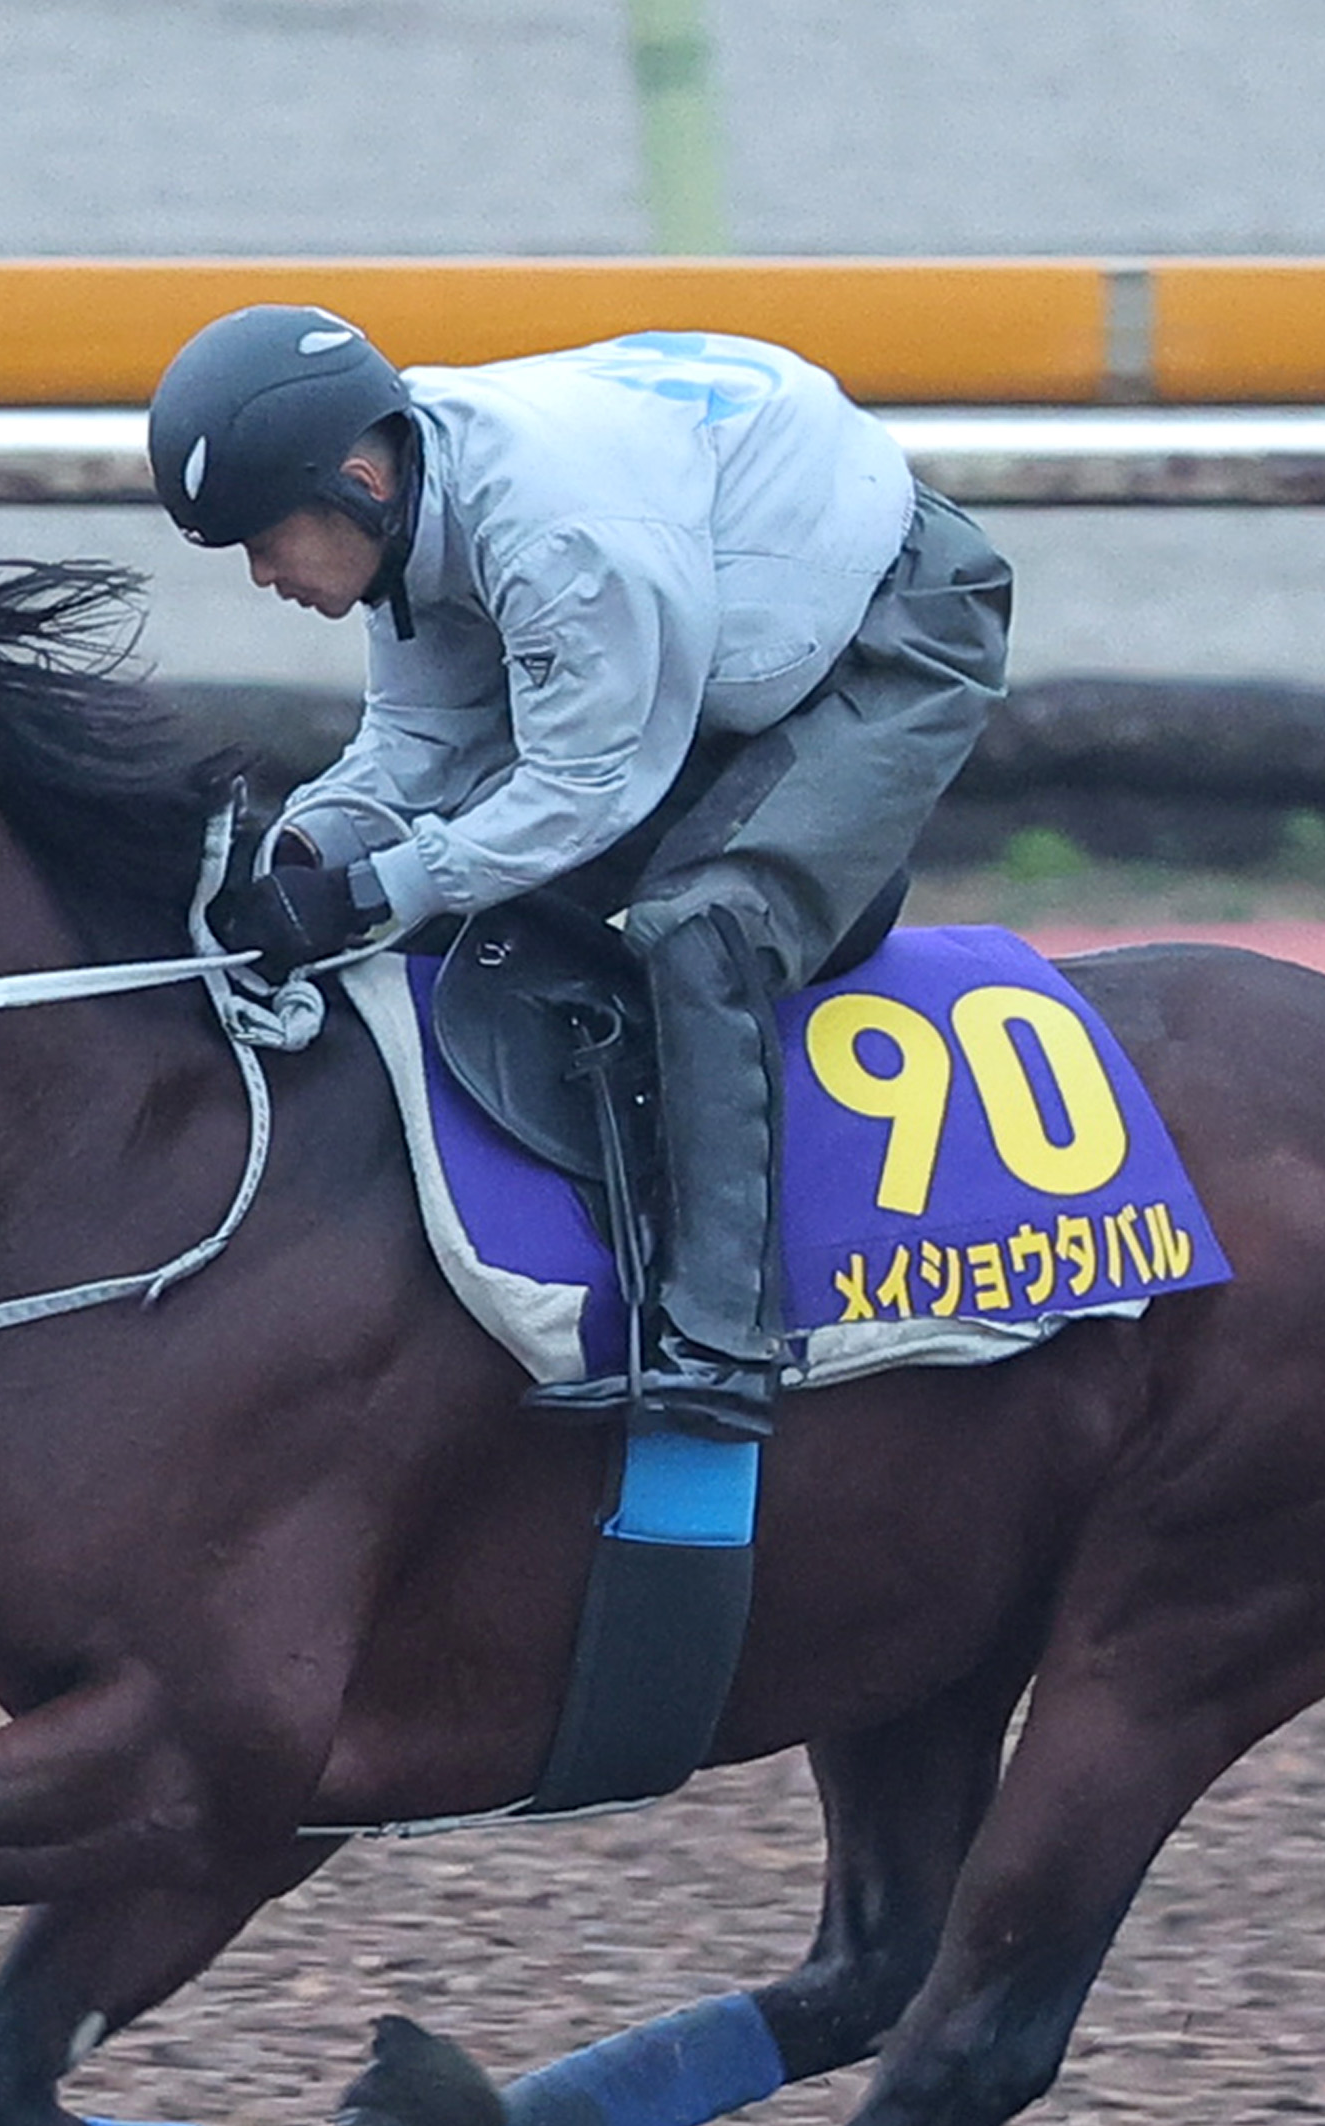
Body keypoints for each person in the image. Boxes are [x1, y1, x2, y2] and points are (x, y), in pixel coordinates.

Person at [146, 305, 1014, 1439]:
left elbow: (585, 789)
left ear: (359, 479)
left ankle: (725, 1339)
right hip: (711, 605)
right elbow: (415, 749)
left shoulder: (556, 542)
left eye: (265, 539)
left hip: (892, 635)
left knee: (704, 927)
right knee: (468, 899)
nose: (264, 575)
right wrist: (304, 850)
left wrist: (383, 886)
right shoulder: (418, 507)